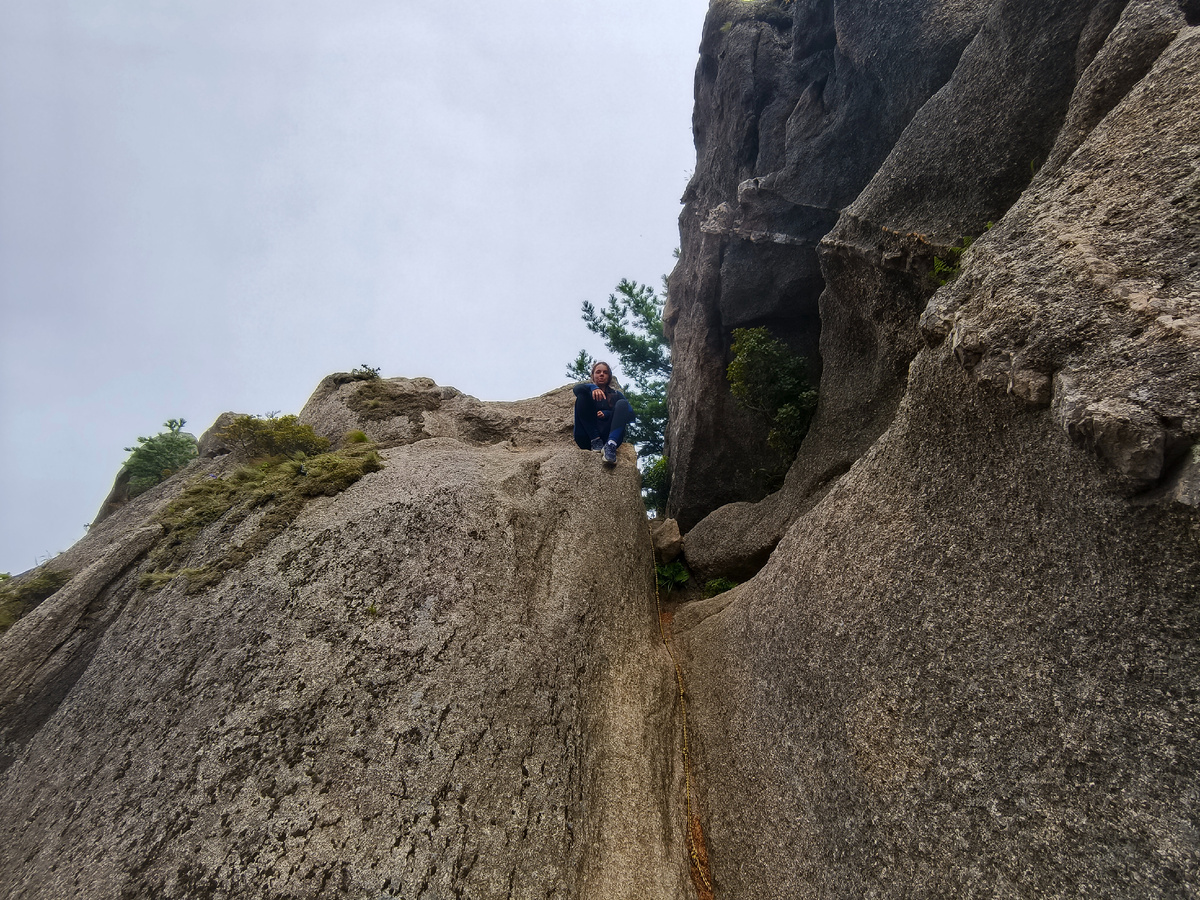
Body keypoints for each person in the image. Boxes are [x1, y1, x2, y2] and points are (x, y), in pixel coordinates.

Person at [572, 360, 635, 465]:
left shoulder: (616, 394)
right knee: (581, 397)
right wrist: (593, 388)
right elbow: (576, 389)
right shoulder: (586, 391)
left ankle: (610, 446)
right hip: (587, 438)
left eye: (605, 372)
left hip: (609, 437)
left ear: (609, 376)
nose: (601, 374)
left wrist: (608, 413)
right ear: (592, 375)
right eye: (598, 372)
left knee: (622, 403)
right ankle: (595, 440)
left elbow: (631, 415)